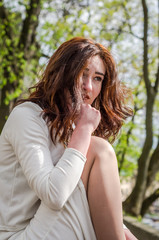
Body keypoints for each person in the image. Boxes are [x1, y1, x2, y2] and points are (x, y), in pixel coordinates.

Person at [0, 37, 137, 240]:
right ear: (62, 72)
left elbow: (82, 191)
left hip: (46, 226)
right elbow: (55, 195)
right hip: (17, 235)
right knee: (99, 149)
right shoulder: (26, 116)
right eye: (82, 74)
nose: (88, 87)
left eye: (98, 78)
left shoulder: (70, 126)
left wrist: (121, 228)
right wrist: (84, 129)